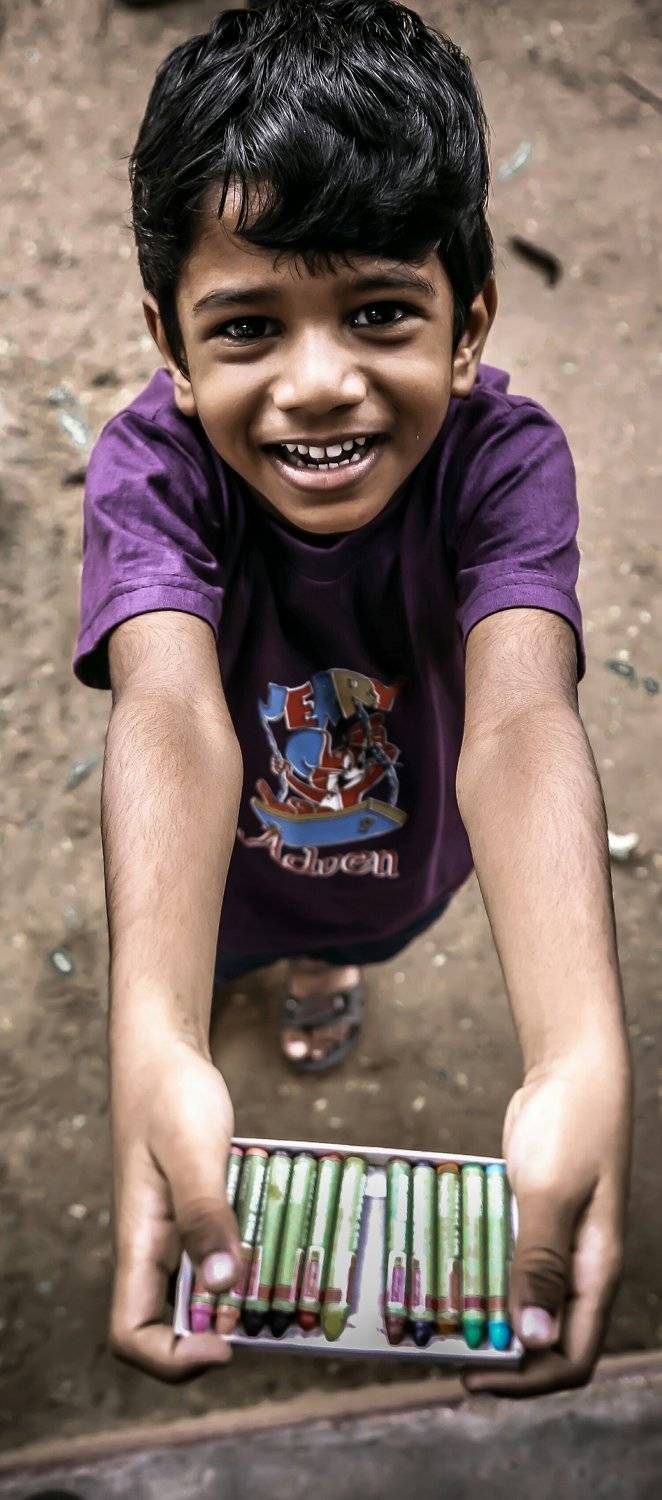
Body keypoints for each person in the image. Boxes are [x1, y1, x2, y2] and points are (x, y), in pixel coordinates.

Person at [74, 0, 632, 1393]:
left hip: (398, 848)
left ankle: (324, 973)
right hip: (213, 867)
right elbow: (166, 710)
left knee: (355, 933)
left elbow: (521, 719)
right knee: (219, 957)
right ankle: (248, 982)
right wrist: (153, 1033)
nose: (318, 384)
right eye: (247, 327)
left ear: (468, 322)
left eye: (380, 312)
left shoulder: (505, 464)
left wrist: (578, 1052)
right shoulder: (152, 472)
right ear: (171, 344)